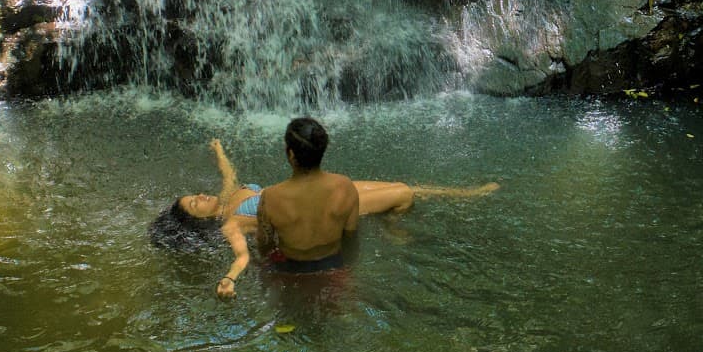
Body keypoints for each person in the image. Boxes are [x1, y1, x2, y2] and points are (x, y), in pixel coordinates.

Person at [147, 123, 498, 298]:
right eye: (194, 203)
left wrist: (219, 150)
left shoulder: (227, 198)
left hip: (314, 189)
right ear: (198, 220)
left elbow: (229, 175)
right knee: (403, 194)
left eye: (194, 195)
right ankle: (399, 226)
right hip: (314, 200)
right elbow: (242, 256)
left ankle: (461, 192)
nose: (200, 197)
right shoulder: (231, 223)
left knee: (398, 186)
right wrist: (230, 278)